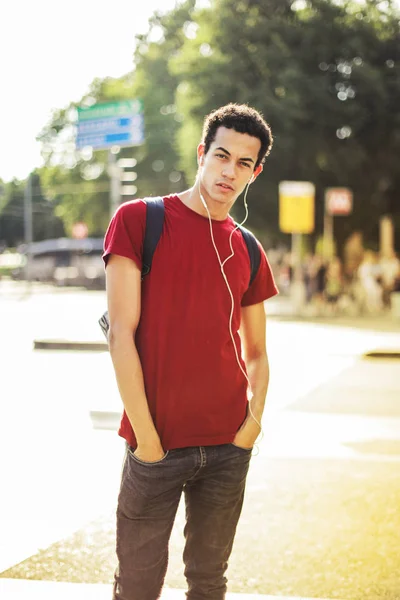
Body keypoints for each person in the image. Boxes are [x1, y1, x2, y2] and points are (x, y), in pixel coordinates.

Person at [103, 103, 278, 600]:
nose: (230, 170)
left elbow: (258, 353)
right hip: (154, 446)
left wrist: (252, 425)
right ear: (202, 153)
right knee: (137, 586)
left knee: (208, 583)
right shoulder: (140, 221)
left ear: (255, 171)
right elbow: (121, 334)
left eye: (244, 163)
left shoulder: (246, 247)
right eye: (222, 155)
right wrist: (148, 440)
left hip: (228, 447)